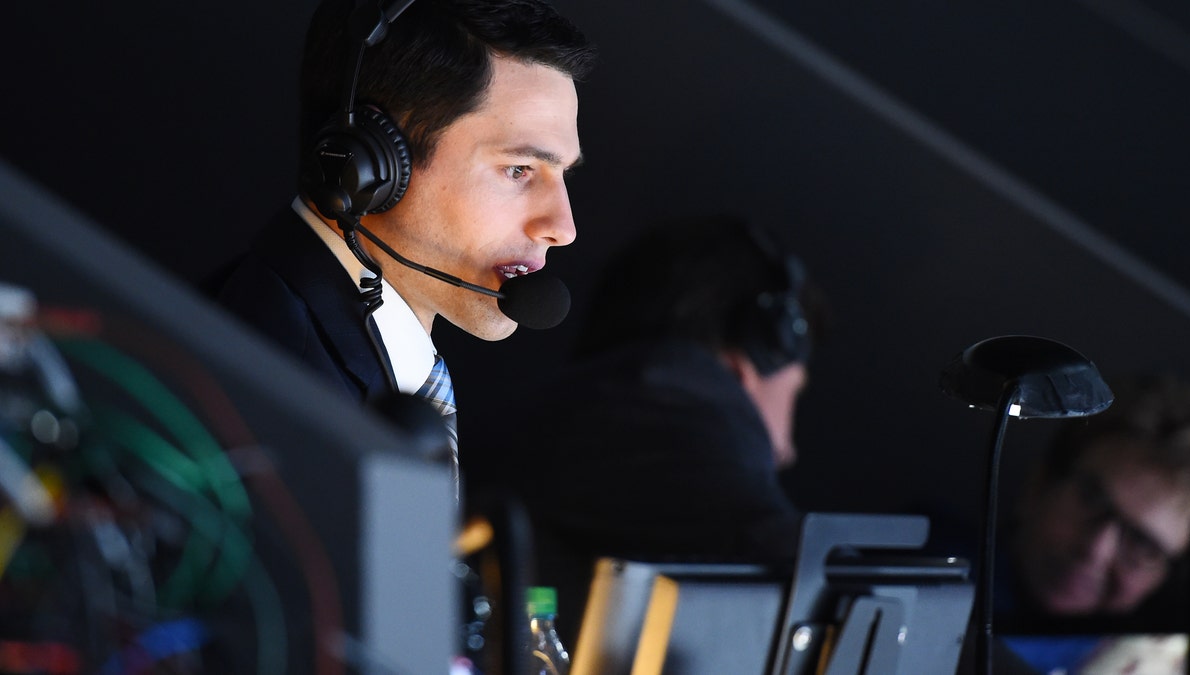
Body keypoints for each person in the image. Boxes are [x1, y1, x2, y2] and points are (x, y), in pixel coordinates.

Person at [215, 0, 595, 441]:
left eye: (562, 174)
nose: (563, 228)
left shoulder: (349, 359)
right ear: (369, 164)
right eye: (519, 170)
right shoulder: (285, 405)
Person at [467, 214, 828, 644]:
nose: (787, 450)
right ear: (759, 351)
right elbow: (788, 563)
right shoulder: (673, 402)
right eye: (795, 393)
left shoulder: (586, 407)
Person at [993, 373, 1190, 673]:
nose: (1096, 549)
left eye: (1142, 543)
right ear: (1038, 485)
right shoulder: (924, 567)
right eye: (1092, 499)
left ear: (1169, 579)